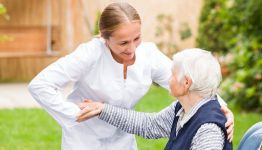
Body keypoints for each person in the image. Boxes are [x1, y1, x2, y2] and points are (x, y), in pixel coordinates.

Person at [28, 2, 233, 150]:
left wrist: (222, 110)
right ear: (104, 38)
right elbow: (40, 85)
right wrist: (74, 115)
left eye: (137, 38)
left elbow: (195, 82)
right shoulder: (90, 53)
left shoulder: (148, 54)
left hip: (123, 139)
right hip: (84, 140)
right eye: (123, 43)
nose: (132, 48)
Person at [77, 48, 233, 150]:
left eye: (172, 74)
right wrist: (103, 109)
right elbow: (149, 125)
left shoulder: (208, 130)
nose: (168, 79)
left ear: (186, 83)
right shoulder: (183, 109)